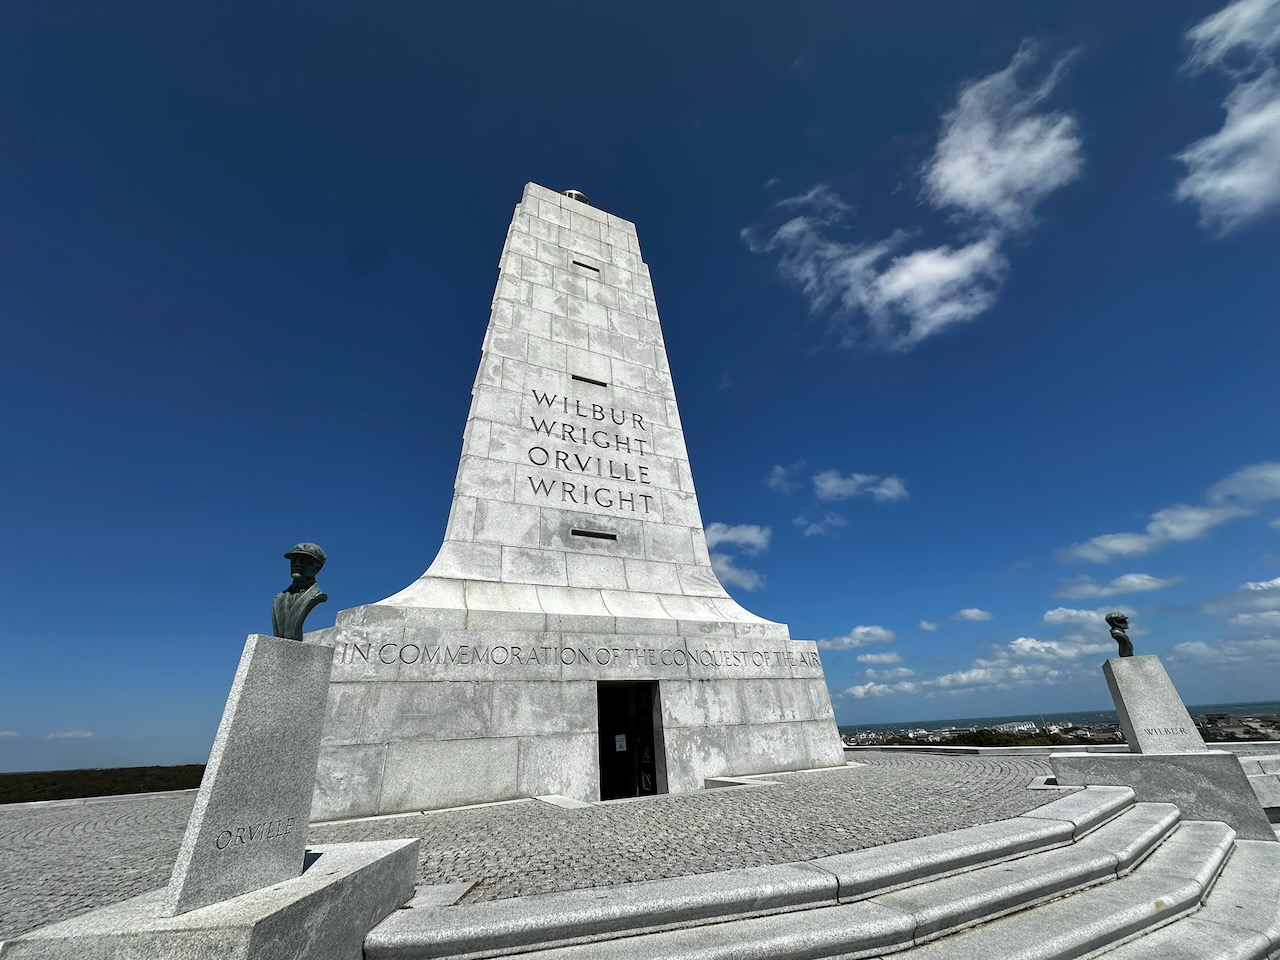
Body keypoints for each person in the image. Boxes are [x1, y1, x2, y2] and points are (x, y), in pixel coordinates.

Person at [272, 543, 328, 640]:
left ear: (317, 567)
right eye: (294, 559)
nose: (296, 563)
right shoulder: (278, 599)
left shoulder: (317, 595)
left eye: (304, 560)